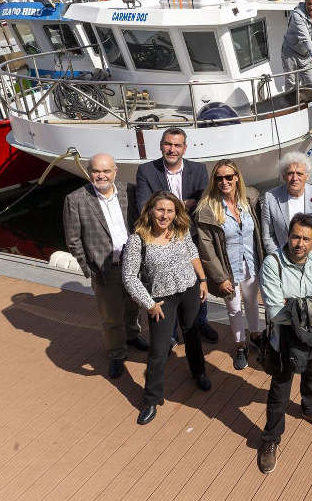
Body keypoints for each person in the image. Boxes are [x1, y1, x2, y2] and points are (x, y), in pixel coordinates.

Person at [258, 213, 312, 474]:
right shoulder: (273, 264)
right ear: (288, 236)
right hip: (285, 338)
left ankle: (309, 408)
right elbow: (275, 312)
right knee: (280, 388)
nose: (300, 243)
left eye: (306, 238)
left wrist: (295, 306)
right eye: (295, 236)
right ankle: (270, 439)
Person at [122, 191, 211, 426]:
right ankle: (151, 399)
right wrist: (149, 303)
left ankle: (199, 372)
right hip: (160, 299)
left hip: (189, 290)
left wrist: (202, 280)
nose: (165, 215)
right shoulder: (138, 239)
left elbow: (193, 252)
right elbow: (129, 277)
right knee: (159, 350)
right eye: (160, 210)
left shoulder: (180, 229)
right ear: (150, 210)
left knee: (192, 334)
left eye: (170, 211)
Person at [62, 153, 148, 379]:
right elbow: (73, 240)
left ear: (115, 171)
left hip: (132, 265)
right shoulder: (76, 199)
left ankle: (132, 335)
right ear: (89, 172)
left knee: (133, 306)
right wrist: (89, 269)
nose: (101, 176)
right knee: (111, 317)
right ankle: (117, 354)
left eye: (106, 171)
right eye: (96, 171)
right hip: (104, 269)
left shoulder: (129, 191)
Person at [135, 127, 219, 345]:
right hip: (162, 237)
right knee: (164, 284)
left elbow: (204, 201)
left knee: (198, 281)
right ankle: (170, 332)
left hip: (191, 234)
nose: (172, 149)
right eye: (168, 144)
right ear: (161, 145)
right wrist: (182, 205)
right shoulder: (146, 171)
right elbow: (144, 205)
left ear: (184, 148)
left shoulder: (199, 169)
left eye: (177, 145)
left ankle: (200, 322)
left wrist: (185, 204)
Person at [194, 159, 264, 372]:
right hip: (228, 269)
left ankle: (255, 336)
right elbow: (207, 251)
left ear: (236, 178)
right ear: (214, 181)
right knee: (234, 310)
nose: (224, 181)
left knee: (252, 303)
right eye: (219, 178)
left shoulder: (249, 199)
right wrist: (220, 278)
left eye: (228, 177)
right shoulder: (207, 210)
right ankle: (240, 345)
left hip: (251, 264)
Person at [260, 151, 312, 255]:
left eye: (299, 174)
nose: (295, 178)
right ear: (283, 176)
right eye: (290, 173)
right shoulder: (270, 198)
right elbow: (268, 236)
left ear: (307, 176)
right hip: (285, 258)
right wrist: (278, 258)